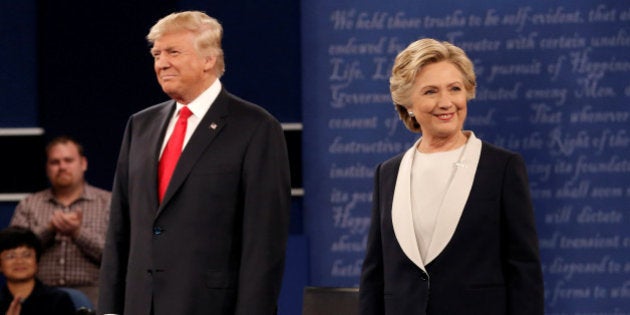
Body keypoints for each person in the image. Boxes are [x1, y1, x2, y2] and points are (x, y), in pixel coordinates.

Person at [98, 11, 291, 315]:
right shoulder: (140, 125)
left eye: (173, 52)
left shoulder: (255, 127)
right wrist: (109, 309)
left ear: (208, 60)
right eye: (157, 54)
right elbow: (119, 230)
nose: (161, 63)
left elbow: (263, 243)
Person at [359, 38, 544, 314]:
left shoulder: (502, 167)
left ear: (467, 93)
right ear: (408, 103)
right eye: (431, 91)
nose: (446, 103)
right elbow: (375, 275)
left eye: (455, 89)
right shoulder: (388, 174)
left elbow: (524, 272)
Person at [10, 135, 111, 308]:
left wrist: (78, 233)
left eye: (68, 160)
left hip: (95, 295)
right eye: (55, 162)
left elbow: (117, 255)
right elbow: (13, 253)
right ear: (47, 168)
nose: (62, 167)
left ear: (83, 163)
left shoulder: (108, 203)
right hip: (40, 296)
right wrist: (48, 229)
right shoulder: (29, 204)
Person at [0, 226, 77, 315]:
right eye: (10, 256)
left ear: (36, 261)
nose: (19, 261)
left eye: (26, 255)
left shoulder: (58, 300)